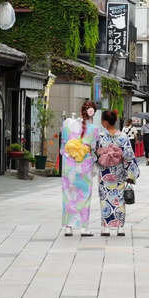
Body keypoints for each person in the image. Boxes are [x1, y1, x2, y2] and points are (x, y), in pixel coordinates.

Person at [95, 109, 140, 236]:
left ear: (104, 122)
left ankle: (106, 227)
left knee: (105, 199)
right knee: (119, 199)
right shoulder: (123, 137)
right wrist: (130, 174)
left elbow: (95, 154)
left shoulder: (101, 137)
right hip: (119, 173)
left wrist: (99, 160)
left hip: (105, 173)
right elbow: (129, 156)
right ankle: (120, 227)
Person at [61, 100, 98, 236]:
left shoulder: (67, 125)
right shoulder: (93, 129)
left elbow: (62, 148)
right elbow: (93, 148)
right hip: (85, 165)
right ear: (92, 113)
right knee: (84, 195)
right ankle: (84, 228)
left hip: (69, 165)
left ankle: (68, 227)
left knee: (68, 195)